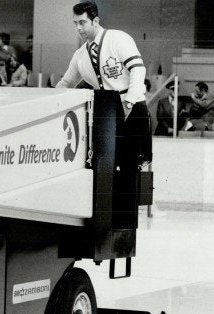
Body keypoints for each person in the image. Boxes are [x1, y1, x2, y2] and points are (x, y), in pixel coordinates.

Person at [55, 1, 151, 228]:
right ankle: (104, 220)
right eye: (75, 23)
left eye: (83, 22)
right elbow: (66, 82)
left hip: (132, 106)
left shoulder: (119, 39)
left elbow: (138, 70)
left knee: (129, 167)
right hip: (106, 112)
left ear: (95, 21)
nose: (78, 28)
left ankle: (126, 223)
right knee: (103, 166)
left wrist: (128, 103)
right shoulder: (80, 55)